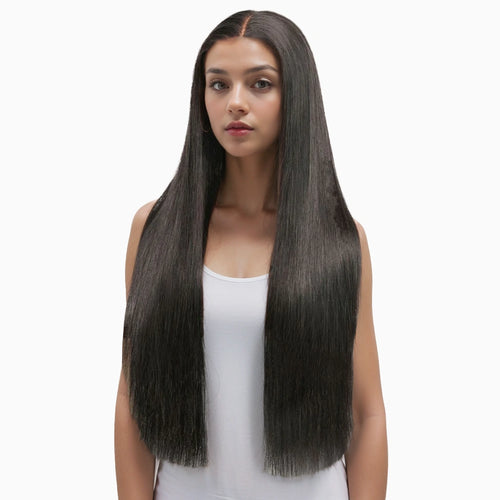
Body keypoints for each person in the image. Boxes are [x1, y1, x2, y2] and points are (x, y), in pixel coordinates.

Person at [114, 9, 387, 500]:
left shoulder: (341, 242)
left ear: (294, 96)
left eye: (260, 84)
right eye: (219, 84)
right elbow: (133, 404)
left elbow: (367, 414)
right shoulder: (154, 231)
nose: (235, 102)